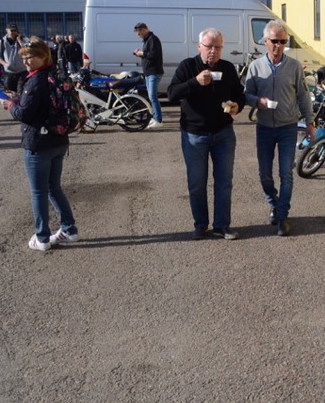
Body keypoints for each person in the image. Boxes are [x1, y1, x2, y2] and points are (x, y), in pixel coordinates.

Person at [0, 39, 79, 251]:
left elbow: (25, 114)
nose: (25, 61)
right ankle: (69, 230)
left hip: (39, 143)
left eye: (30, 57)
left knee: (38, 192)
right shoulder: (55, 75)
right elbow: (40, 105)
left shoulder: (35, 80)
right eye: (23, 58)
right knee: (53, 188)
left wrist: (9, 105)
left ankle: (42, 237)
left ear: (43, 56)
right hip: (58, 139)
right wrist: (18, 99)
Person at [167, 28, 244, 241]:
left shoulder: (227, 68)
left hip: (223, 133)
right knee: (196, 183)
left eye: (218, 47)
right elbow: (172, 94)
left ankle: (222, 226)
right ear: (199, 46)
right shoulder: (187, 66)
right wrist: (195, 82)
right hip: (194, 135)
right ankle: (200, 225)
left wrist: (238, 106)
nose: (213, 51)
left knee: (224, 182)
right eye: (209, 46)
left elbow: (239, 94)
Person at [243, 20, 315, 237]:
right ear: (265, 41)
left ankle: (282, 216)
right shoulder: (256, 67)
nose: (279, 45)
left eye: (283, 42)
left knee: (286, 173)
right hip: (264, 127)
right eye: (275, 41)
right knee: (264, 174)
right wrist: (257, 102)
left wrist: (310, 123)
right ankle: (273, 203)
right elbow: (246, 94)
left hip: (287, 127)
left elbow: (303, 96)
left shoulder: (294, 67)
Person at [132, 23, 164, 128]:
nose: (138, 36)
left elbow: (154, 55)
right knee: (151, 97)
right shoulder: (147, 40)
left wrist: (141, 53)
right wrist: (139, 54)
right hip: (149, 72)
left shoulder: (153, 39)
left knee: (153, 97)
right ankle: (155, 118)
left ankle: (158, 120)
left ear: (144, 30)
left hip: (154, 72)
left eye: (139, 33)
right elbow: (148, 55)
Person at [0, 23, 28, 94]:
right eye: (11, 30)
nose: (13, 32)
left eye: (15, 30)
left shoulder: (23, 40)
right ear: (7, 30)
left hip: (22, 71)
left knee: (21, 93)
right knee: (9, 94)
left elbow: (27, 51)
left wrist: (19, 40)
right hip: (9, 72)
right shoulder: (2, 42)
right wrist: (5, 64)